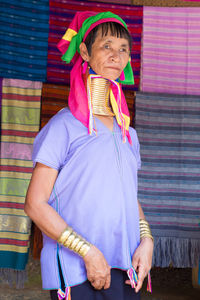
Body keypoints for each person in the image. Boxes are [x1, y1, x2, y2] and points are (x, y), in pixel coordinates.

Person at [25, 11, 154, 300]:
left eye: (123, 49)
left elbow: (127, 196)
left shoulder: (127, 133)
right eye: (106, 46)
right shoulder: (63, 126)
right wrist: (88, 252)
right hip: (76, 268)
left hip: (126, 266)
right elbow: (35, 204)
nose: (115, 56)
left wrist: (147, 240)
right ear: (85, 51)